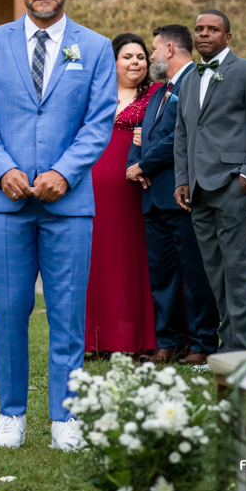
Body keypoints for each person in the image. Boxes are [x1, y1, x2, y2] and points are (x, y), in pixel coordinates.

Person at [0, 0, 116, 451]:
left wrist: (64, 173)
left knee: (67, 309)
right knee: (6, 308)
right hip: (5, 200)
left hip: (67, 203)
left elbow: (98, 121)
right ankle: (11, 413)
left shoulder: (93, 48)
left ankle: (65, 416)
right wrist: (3, 167)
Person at [173, 10, 246, 353]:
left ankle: (243, 347)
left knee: (237, 267)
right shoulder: (189, 78)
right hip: (199, 190)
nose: (204, 34)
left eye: (212, 29)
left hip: (235, 185)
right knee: (214, 271)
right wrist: (182, 179)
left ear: (227, 37)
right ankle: (227, 342)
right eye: (199, 29)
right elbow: (183, 133)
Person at [127, 25, 219, 365]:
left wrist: (144, 164)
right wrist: (133, 163)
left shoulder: (196, 83)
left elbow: (182, 136)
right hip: (153, 198)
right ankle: (168, 342)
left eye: (152, 49)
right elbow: (140, 134)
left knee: (195, 274)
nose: (150, 56)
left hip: (183, 196)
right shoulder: (158, 92)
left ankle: (203, 343)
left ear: (168, 49)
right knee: (162, 274)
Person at [84, 33, 159, 355]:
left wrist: (149, 137)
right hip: (93, 192)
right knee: (98, 261)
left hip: (134, 192)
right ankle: (97, 339)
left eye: (141, 57)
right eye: (128, 57)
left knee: (132, 263)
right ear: (113, 62)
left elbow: (173, 133)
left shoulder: (157, 95)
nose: (135, 63)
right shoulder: (96, 95)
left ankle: (137, 340)